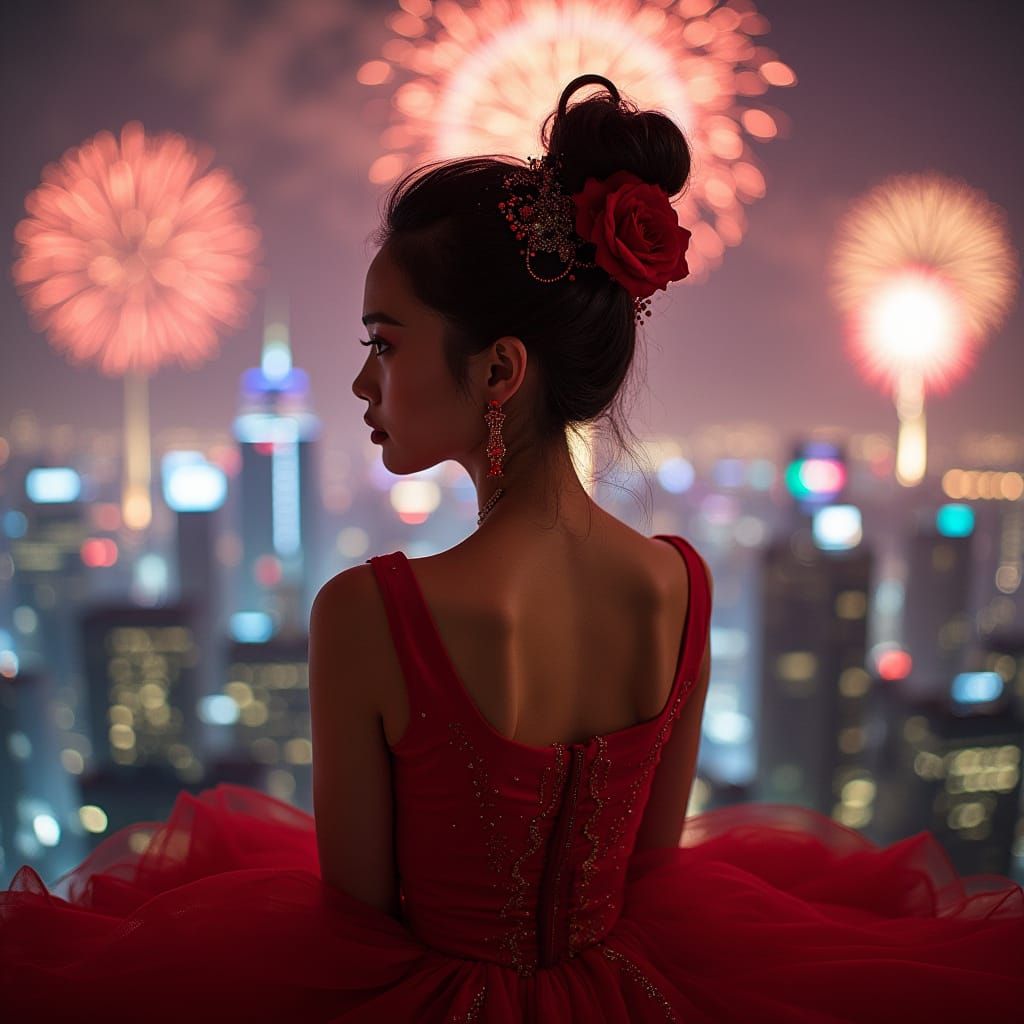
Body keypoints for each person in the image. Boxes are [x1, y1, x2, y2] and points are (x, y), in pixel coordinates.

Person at [2, 73, 1022, 1022]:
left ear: (498, 371)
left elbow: (353, 927)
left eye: (384, 343)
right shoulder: (679, 586)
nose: (363, 384)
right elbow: (652, 876)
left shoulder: (368, 613)